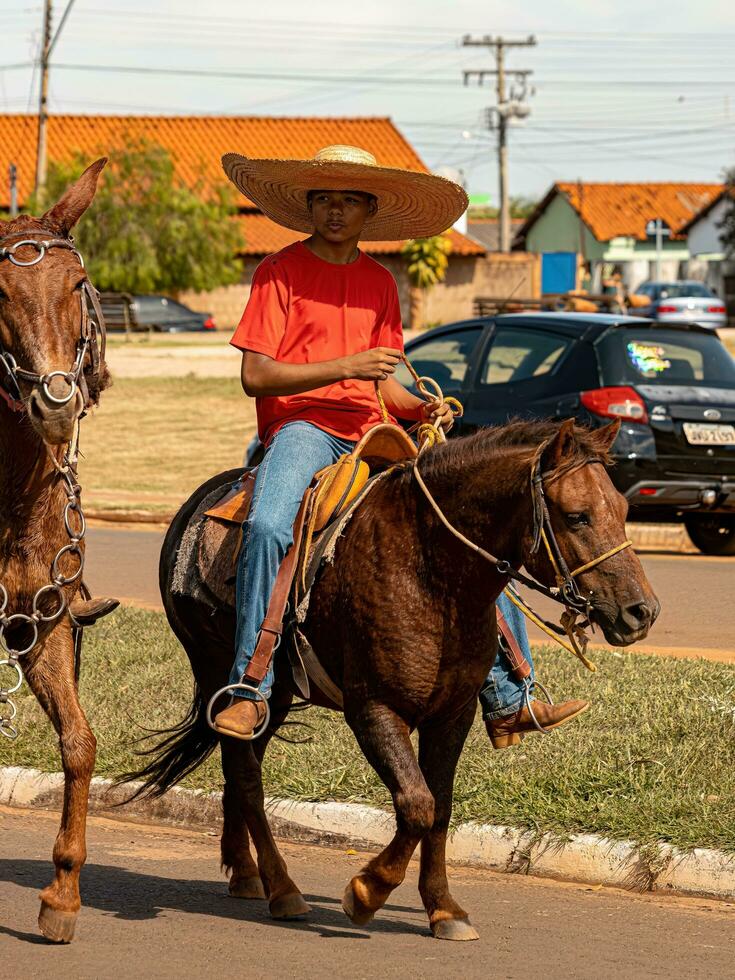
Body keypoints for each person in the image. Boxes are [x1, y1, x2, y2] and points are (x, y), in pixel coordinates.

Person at [214, 144, 587, 743]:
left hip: (376, 432)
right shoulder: (277, 273)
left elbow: (385, 379)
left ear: (369, 211)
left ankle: (510, 696)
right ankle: (249, 686)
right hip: (304, 430)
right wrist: (347, 364)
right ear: (309, 207)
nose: (336, 212)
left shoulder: (379, 282)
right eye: (325, 200)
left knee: (468, 528)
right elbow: (255, 376)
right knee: (267, 528)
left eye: (350, 202)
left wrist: (424, 405)